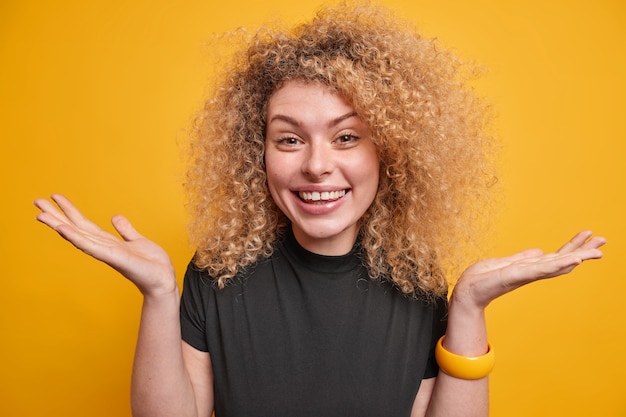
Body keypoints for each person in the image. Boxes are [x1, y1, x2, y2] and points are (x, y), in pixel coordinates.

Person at [34, 3, 606, 417]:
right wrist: (159, 296)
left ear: (389, 149)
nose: (315, 166)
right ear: (255, 154)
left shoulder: (419, 286)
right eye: (288, 139)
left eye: (346, 138)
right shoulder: (215, 277)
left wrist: (470, 306)